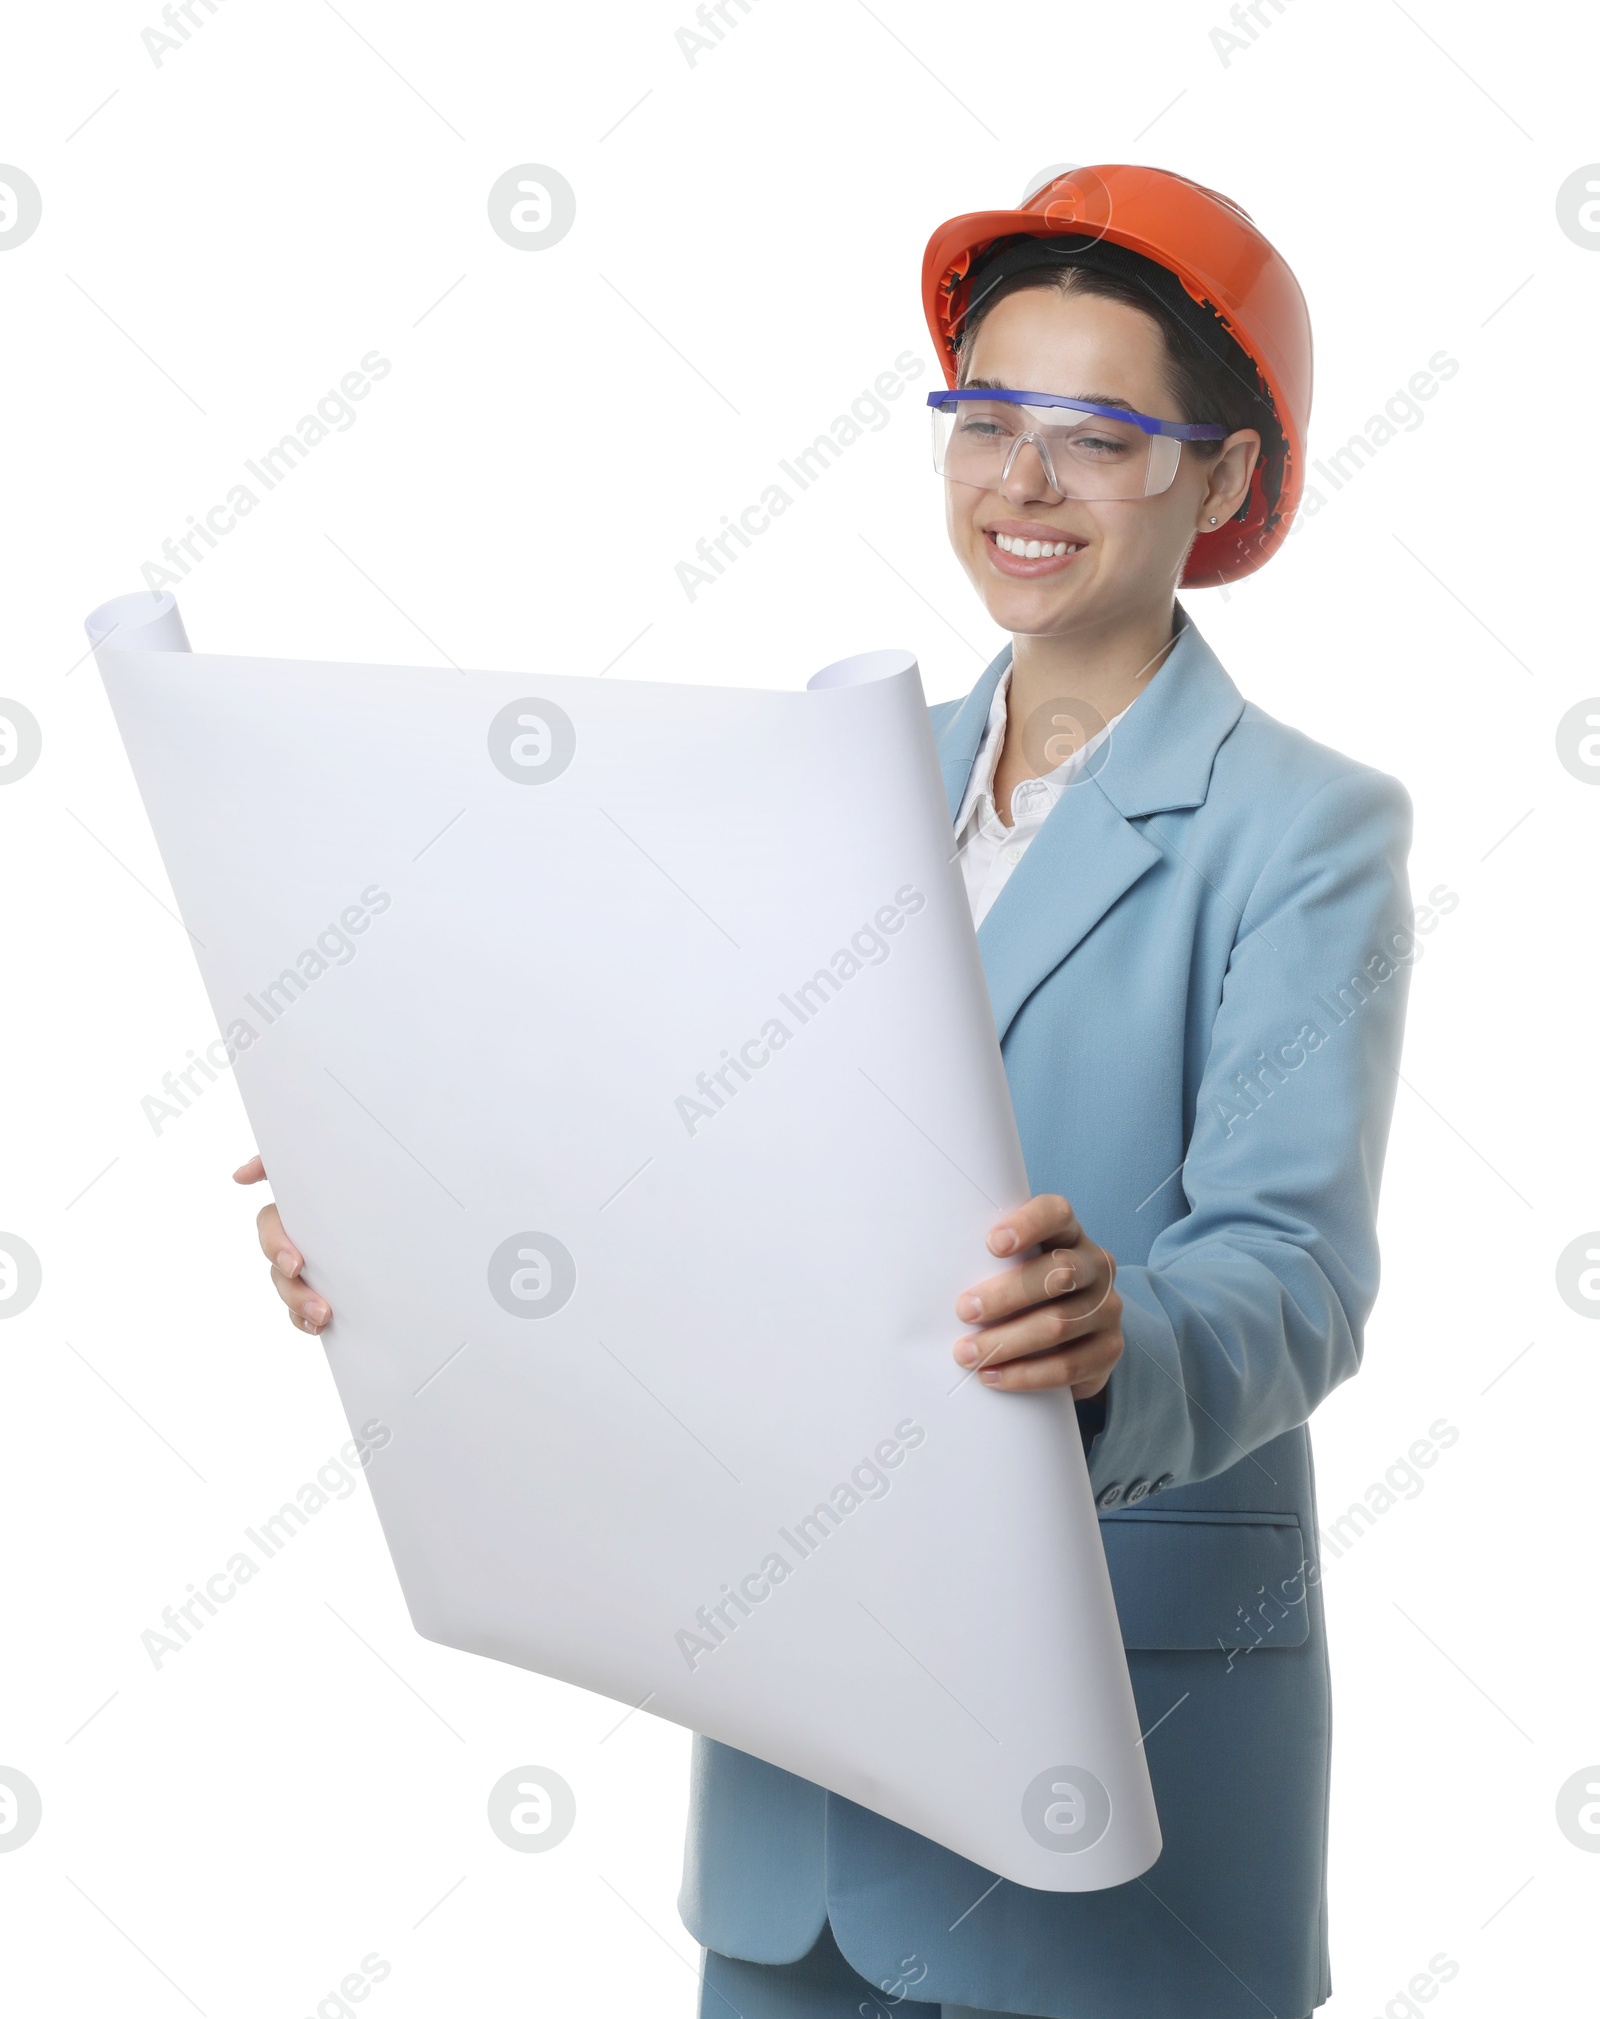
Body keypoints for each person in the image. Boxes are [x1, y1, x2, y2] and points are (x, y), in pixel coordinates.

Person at [237, 165, 1415, 2018]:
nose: (1021, 483)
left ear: (1224, 477)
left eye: (1098, 436)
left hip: (1122, 1759)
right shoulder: (816, 786)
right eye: (986, 423)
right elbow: (673, 1186)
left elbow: (1296, 1271)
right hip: (799, 1782)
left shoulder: (1306, 832)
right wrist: (399, 1213)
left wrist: (1122, 1338)